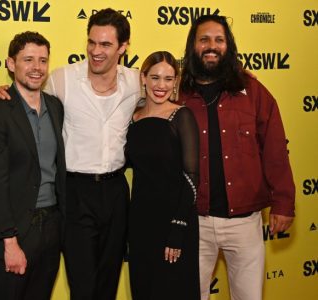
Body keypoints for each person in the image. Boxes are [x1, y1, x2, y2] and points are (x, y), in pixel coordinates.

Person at [0, 8, 140, 299]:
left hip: (117, 191)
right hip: (75, 192)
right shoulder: (62, 79)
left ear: (122, 47)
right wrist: (0, 92)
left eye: (106, 44)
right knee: (81, 284)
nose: (96, 51)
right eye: (91, 42)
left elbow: (165, 94)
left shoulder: (136, 82)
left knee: (109, 280)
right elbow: (25, 98)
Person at [179, 15, 296, 300]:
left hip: (245, 222)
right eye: (204, 39)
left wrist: (283, 202)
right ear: (192, 46)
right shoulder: (177, 91)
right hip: (195, 220)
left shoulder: (254, 92)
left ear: (228, 47)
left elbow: (275, 150)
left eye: (219, 40)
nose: (211, 46)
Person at [0, 31, 66, 300]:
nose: (36, 68)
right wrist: (9, 240)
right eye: (28, 59)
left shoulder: (55, 106)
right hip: (13, 231)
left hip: (51, 226)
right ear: (11, 64)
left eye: (42, 60)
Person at [126, 51, 200, 299]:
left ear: (176, 81)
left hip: (173, 223)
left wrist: (178, 228)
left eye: (169, 79)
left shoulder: (182, 116)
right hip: (140, 223)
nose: (161, 86)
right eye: (155, 77)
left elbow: (191, 177)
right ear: (143, 78)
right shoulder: (133, 117)